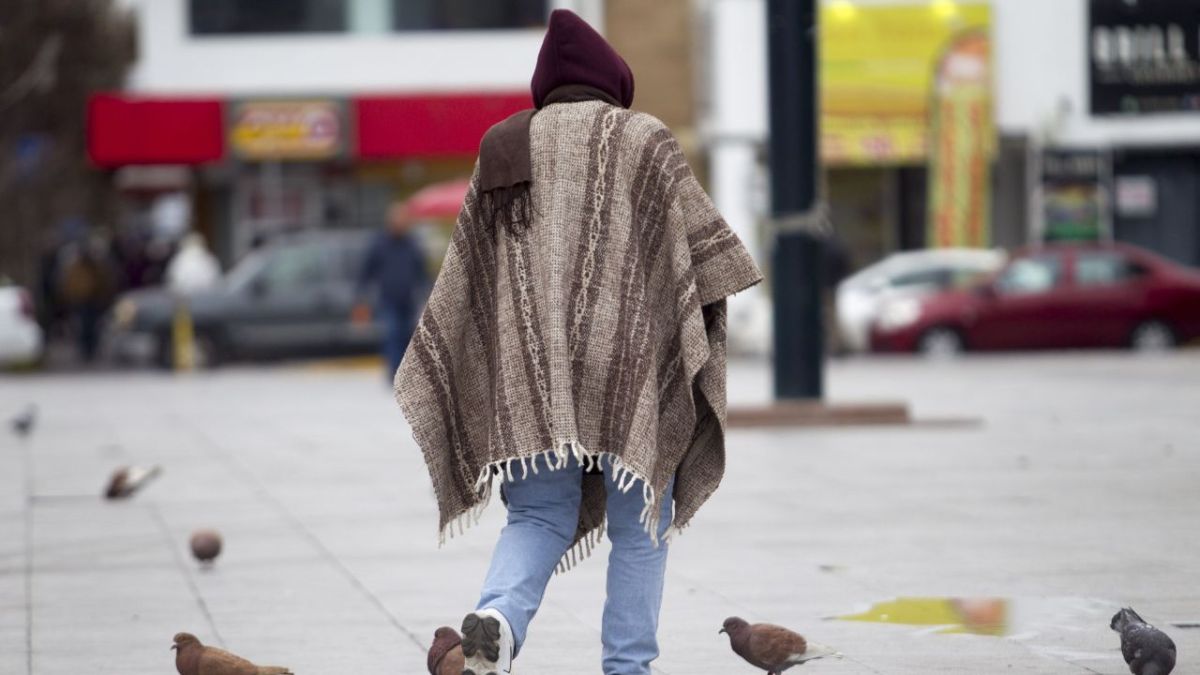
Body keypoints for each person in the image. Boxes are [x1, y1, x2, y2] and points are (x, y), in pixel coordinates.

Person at [396, 10, 761, 675]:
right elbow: (708, 257)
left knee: (536, 517)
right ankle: (628, 666)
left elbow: (468, 282)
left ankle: (495, 631)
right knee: (641, 519)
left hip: (530, 377)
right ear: (613, 80)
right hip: (633, 368)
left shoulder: (503, 145)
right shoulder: (644, 138)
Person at [357, 202, 430, 378]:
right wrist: (361, 297)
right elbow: (366, 272)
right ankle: (394, 373)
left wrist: (428, 292)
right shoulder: (379, 244)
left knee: (407, 336)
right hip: (388, 299)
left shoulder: (412, 244)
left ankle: (405, 374)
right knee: (393, 333)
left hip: (408, 299)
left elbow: (422, 272)